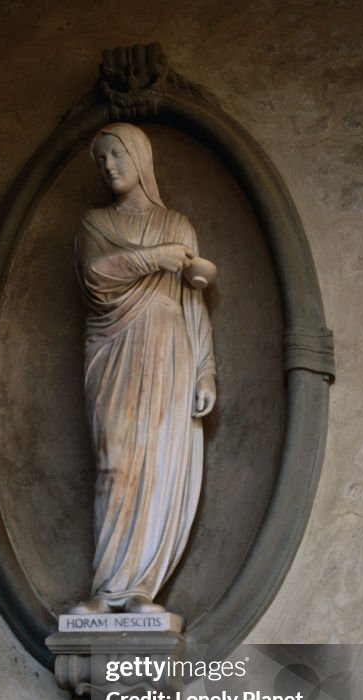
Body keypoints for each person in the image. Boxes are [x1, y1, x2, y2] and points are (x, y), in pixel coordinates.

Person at [71, 123, 217, 615]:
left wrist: (205, 371)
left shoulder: (178, 225)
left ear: (140, 157)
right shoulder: (93, 223)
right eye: (101, 160)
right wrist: (156, 258)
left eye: (116, 155)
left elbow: (194, 305)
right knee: (116, 463)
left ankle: (138, 592)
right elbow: (96, 276)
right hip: (113, 350)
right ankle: (105, 589)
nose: (108, 166)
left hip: (168, 351)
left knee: (157, 465)